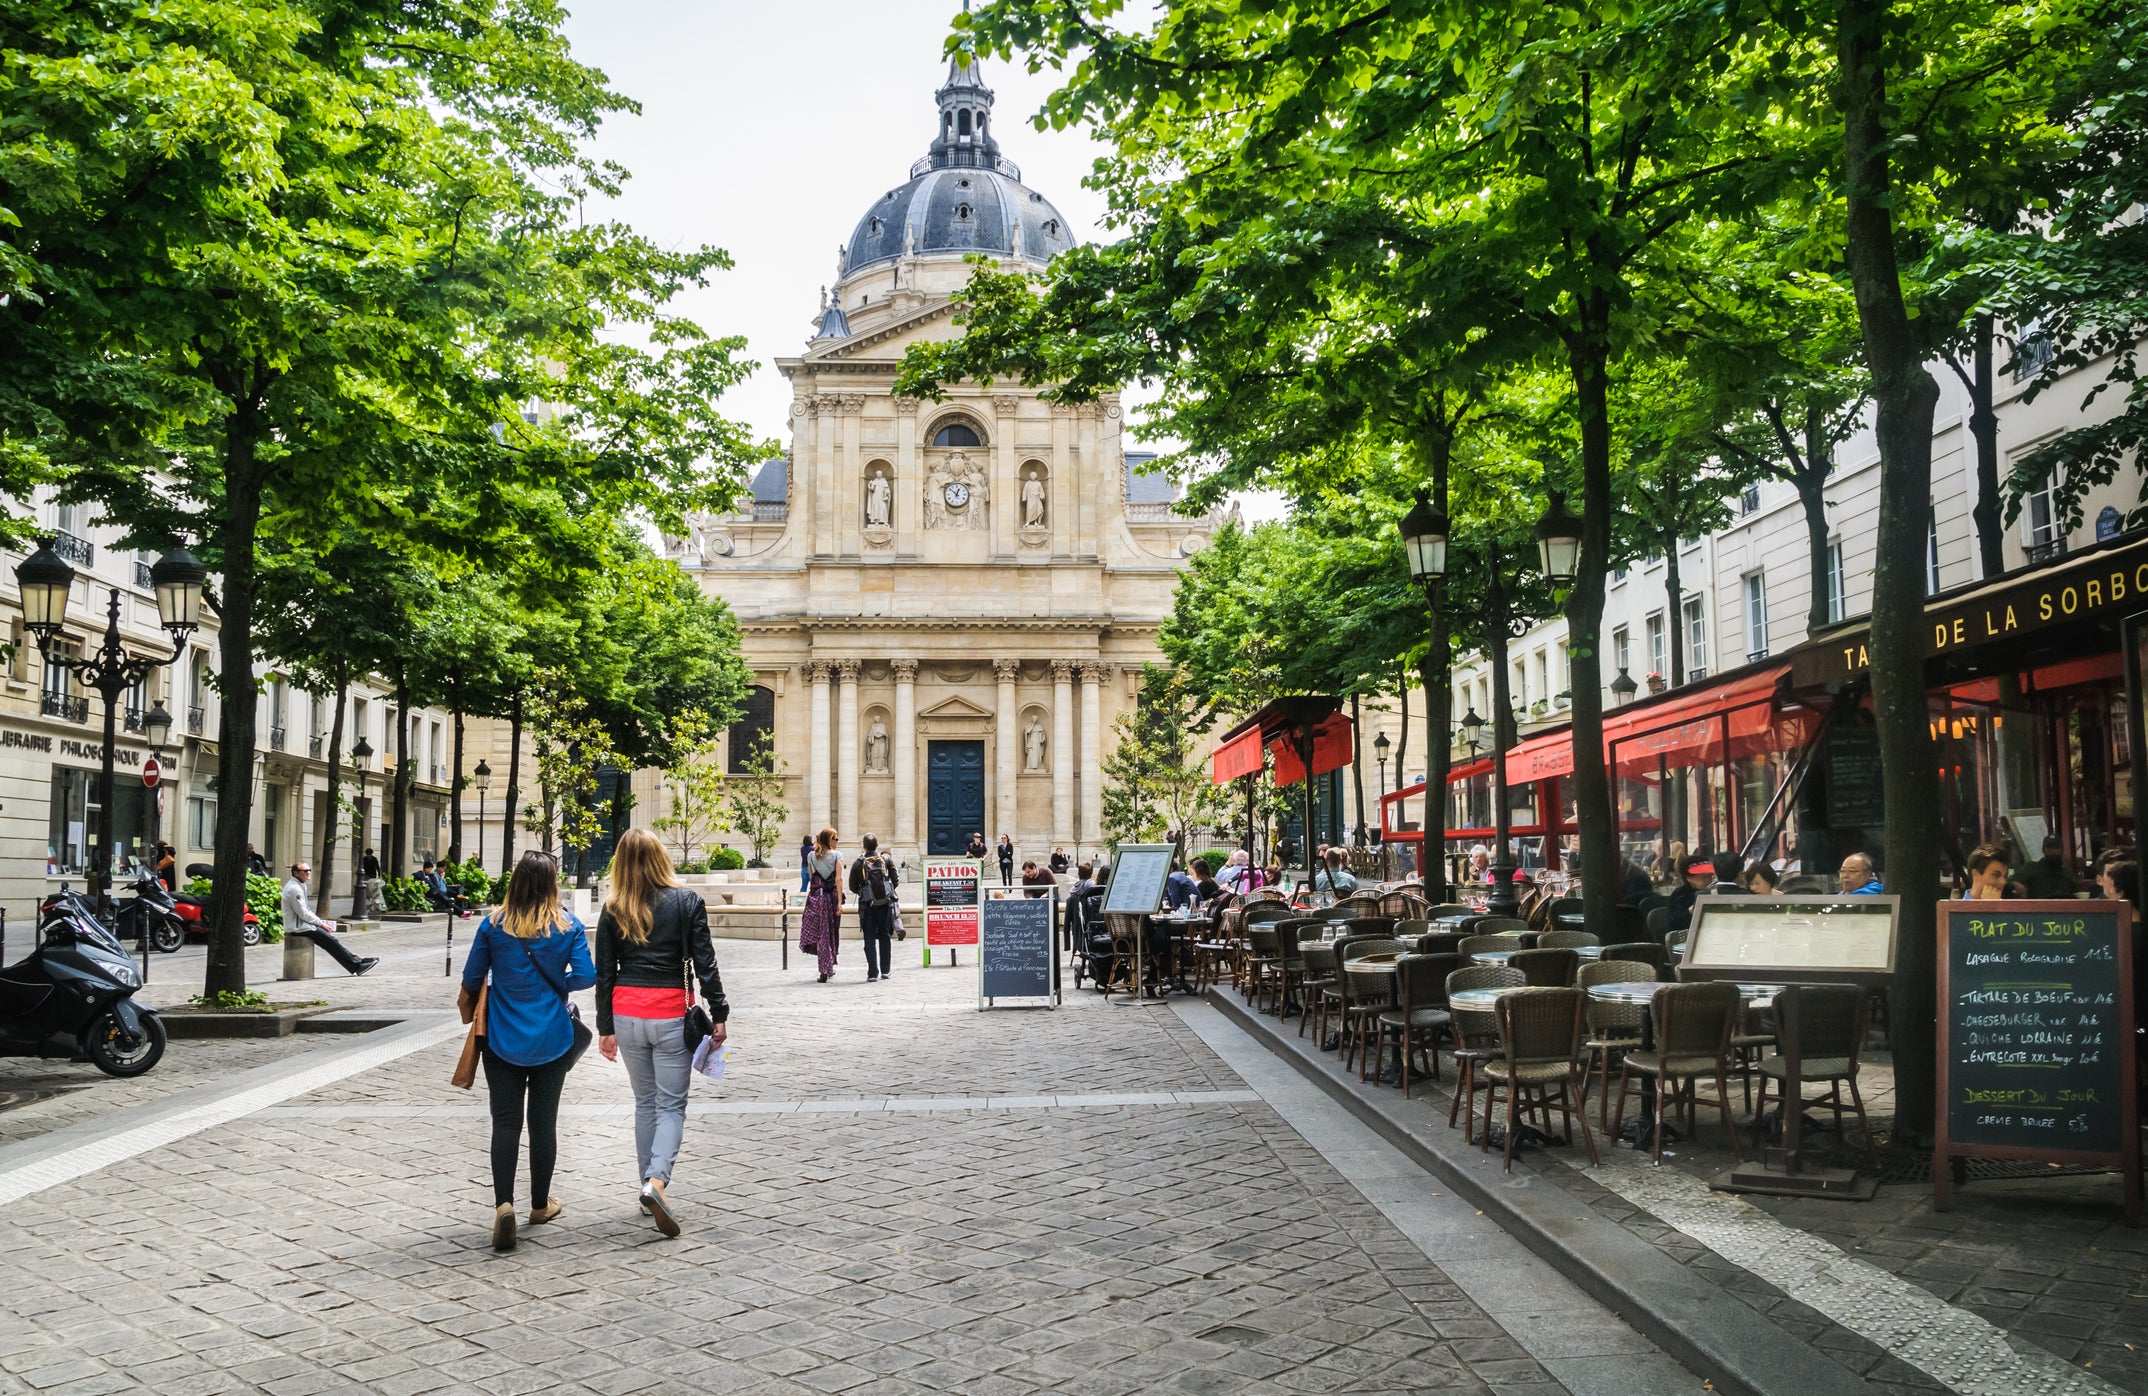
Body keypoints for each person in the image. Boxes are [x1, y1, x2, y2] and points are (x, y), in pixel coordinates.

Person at [595, 828, 728, 1237]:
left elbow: (604, 973)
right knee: (671, 1105)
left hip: (627, 1014)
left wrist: (605, 1028)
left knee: (645, 1103)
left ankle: (647, 1186)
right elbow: (705, 962)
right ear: (661, 857)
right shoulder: (686, 901)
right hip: (670, 1011)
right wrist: (719, 1011)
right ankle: (656, 1182)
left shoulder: (613, 906)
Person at [459, 851, 594, 1252]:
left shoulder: (493, 925)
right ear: (552, 884)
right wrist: (559, 985)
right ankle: (539, 1204)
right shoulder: (567, 925)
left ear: (515, 881)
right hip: (552, 1037)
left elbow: (471, 977)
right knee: (543, 1123)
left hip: (501, 1037)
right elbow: (586, 975)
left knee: (504, 1123)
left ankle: (503, 1205)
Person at [280, 862, 379, 976]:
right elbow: (303, 913)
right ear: (295, 873)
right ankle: (357, 965)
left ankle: (357, 962)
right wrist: (321, 924)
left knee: (330, 941)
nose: (308, 873)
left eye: (309, 870)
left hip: (303, 925)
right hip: (298, 927)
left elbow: (305, 911)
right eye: (305, 871)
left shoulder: (299, 885)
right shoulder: (294, 889)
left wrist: (320, 922)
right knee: (330, 941)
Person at [847, 833, 900, 982]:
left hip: (867, 906)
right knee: (884, 935)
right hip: (884, 904)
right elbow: (895, 880)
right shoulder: (886, 860)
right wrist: (885, 891)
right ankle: (886, 970)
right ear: (877, 846)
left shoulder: (858, 863)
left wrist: (865, 893)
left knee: (869, 937)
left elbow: (852, 886)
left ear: (864, 846)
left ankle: (872, 973)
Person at [803, 827, 842, 983]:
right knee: (830, 933)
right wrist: (839, 902)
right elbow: (838, 880)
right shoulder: (837, 855)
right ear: (828, 840)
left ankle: (824, 969)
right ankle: (827, 966)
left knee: (821, 935)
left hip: (816, 899)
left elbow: (813, 878)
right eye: (835, 838)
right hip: (831, 899)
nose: (837, 841)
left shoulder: (811, 856)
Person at [2017, 835, 2077, 899]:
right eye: (2049, 848)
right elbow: (2010, 885)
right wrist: (2016, 885)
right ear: (2043, 850)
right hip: (2038, 908)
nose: (2053, 851)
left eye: (2056, 848)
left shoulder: (2067, 874)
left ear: (2062, 850)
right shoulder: (2031, 868)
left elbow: (2076, 894)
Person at [1667, 853, 1716, 932]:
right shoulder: (1680, 894)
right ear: (1688, 877)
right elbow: (1675, 921)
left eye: (1710, 876)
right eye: (1703, 877)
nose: (1708, 880)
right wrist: (1690, 911)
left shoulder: (1713, 892)